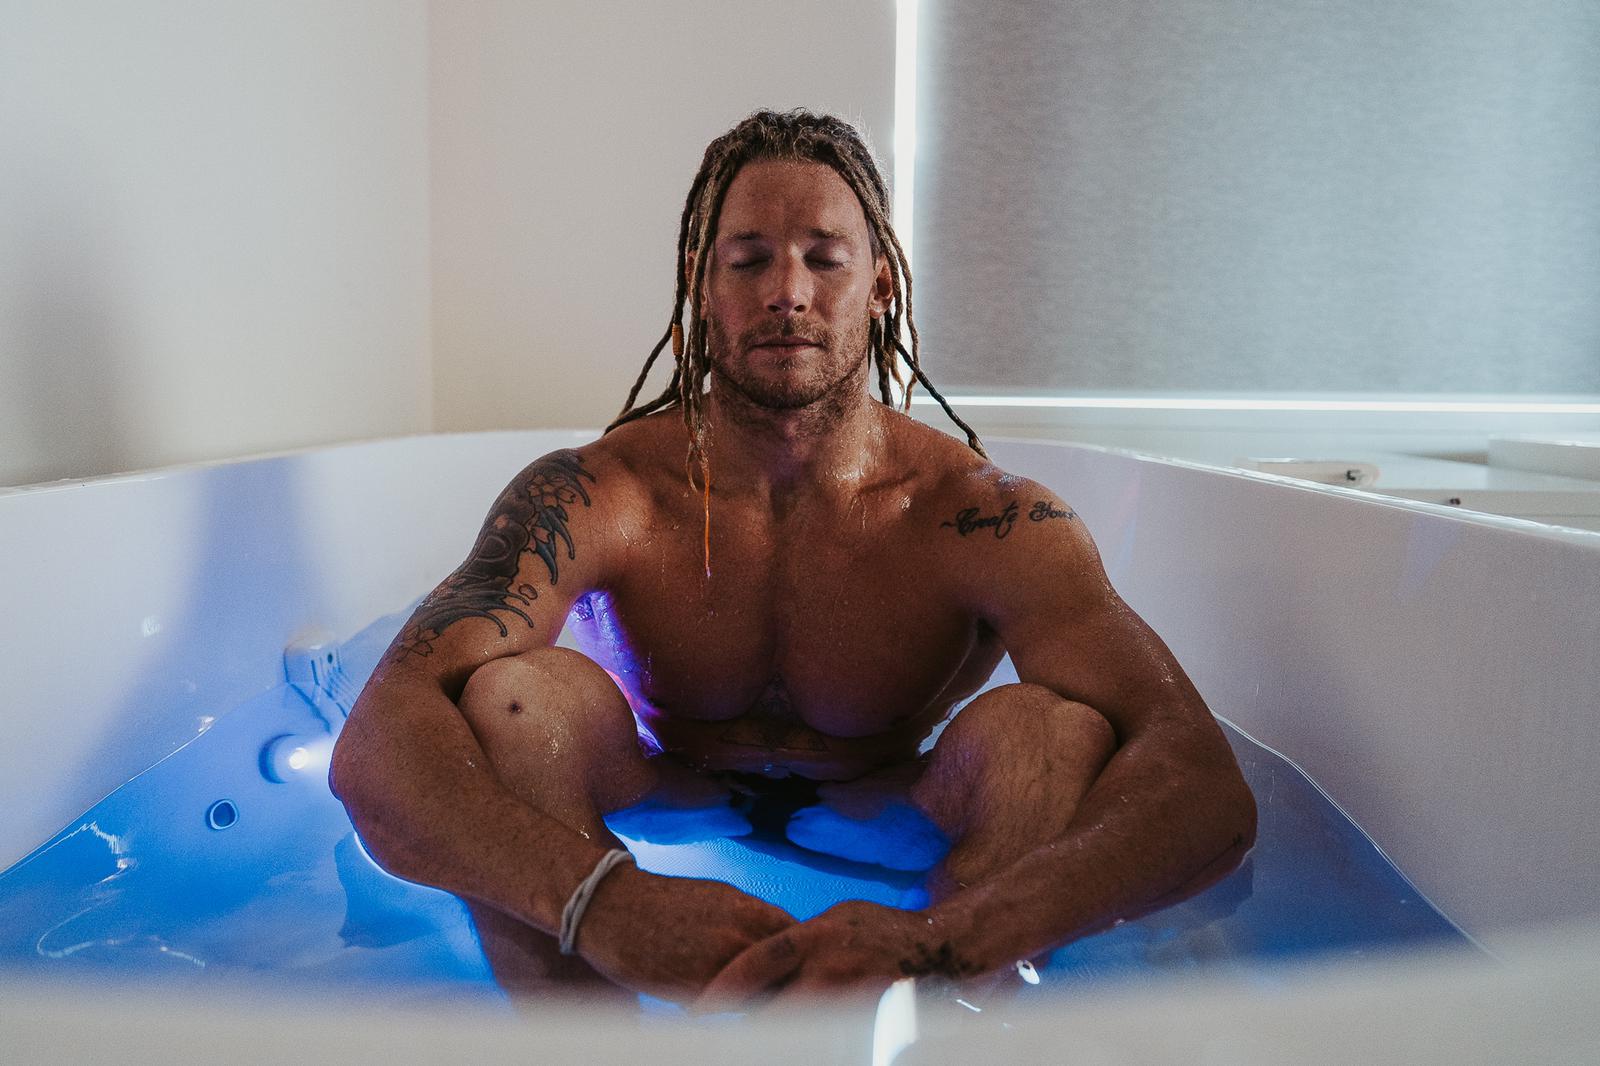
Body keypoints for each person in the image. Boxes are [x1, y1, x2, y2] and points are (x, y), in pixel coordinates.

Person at [328, 109, 1256, 1007]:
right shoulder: (598, 496)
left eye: (824, 257)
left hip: (891, 804)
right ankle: (586, 1041)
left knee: (1047, 733)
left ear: (881, 282)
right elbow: (377, 742)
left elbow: (1200, 783)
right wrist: (600, 899)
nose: (788, 293)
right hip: (663, 787)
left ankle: (958, 1024)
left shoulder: (981, 518)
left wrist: (947, 939)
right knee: (512, 701)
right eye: (750, 260)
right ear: (703, 283)